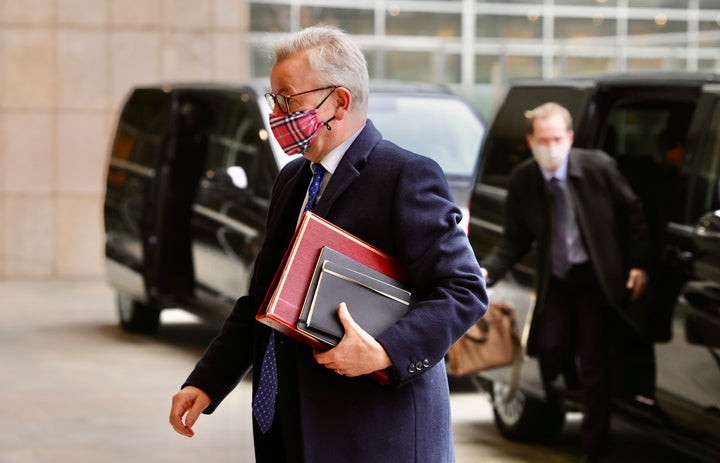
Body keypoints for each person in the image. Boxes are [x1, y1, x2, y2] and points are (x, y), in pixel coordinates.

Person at [169, 25, 487, 463]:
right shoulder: (293, 180)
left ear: (339, 101)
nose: (278, 114)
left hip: (372, 437)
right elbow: (262, 297)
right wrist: (207, 381)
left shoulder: (404, 176)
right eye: (273, 100)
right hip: (291, 428)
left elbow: (463, 291)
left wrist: (383, 352)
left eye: (289, 100)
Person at [480, 102, 648, 463]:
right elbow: (514, 239)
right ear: (530, 141)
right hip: (557, 279)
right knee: (549, 346)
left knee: (594, 362)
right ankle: (572, 385)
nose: (551, 146)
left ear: (570, 138)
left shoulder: (598, 168)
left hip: (595, 279)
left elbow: (633, 212)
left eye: (557, 138)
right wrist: (487, 271)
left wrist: (638, 264)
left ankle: (594, 447)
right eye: (543, 139)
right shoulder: (526, 179)